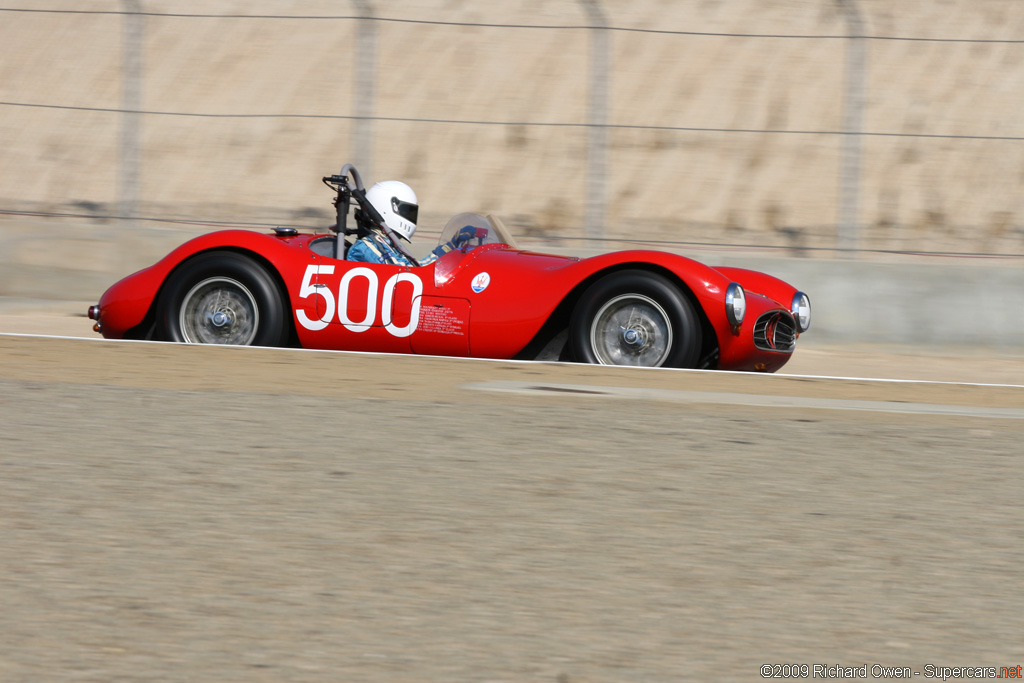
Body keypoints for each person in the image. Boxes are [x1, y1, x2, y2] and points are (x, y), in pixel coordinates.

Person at [347, 180, 484, 266]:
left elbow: (414, 267)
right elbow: (409, 273)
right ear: (387, 208)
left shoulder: (387, 244)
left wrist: (451, 247)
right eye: (406, 212)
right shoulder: (367, 246)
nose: (409, 216)